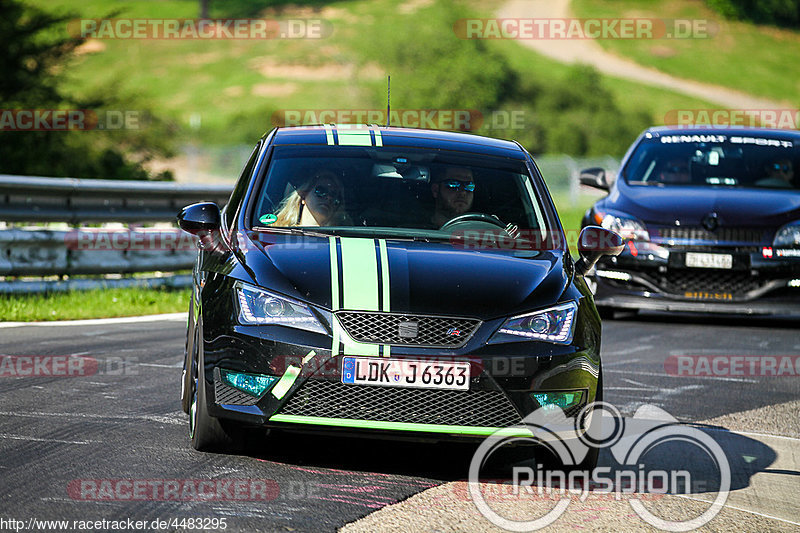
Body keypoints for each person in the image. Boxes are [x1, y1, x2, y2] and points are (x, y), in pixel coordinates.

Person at [273, 170, 351, 226]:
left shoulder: (342, 241)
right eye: (321, 191)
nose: (329, 197)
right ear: (303, 196)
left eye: (334, 195)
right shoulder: (276, 231)